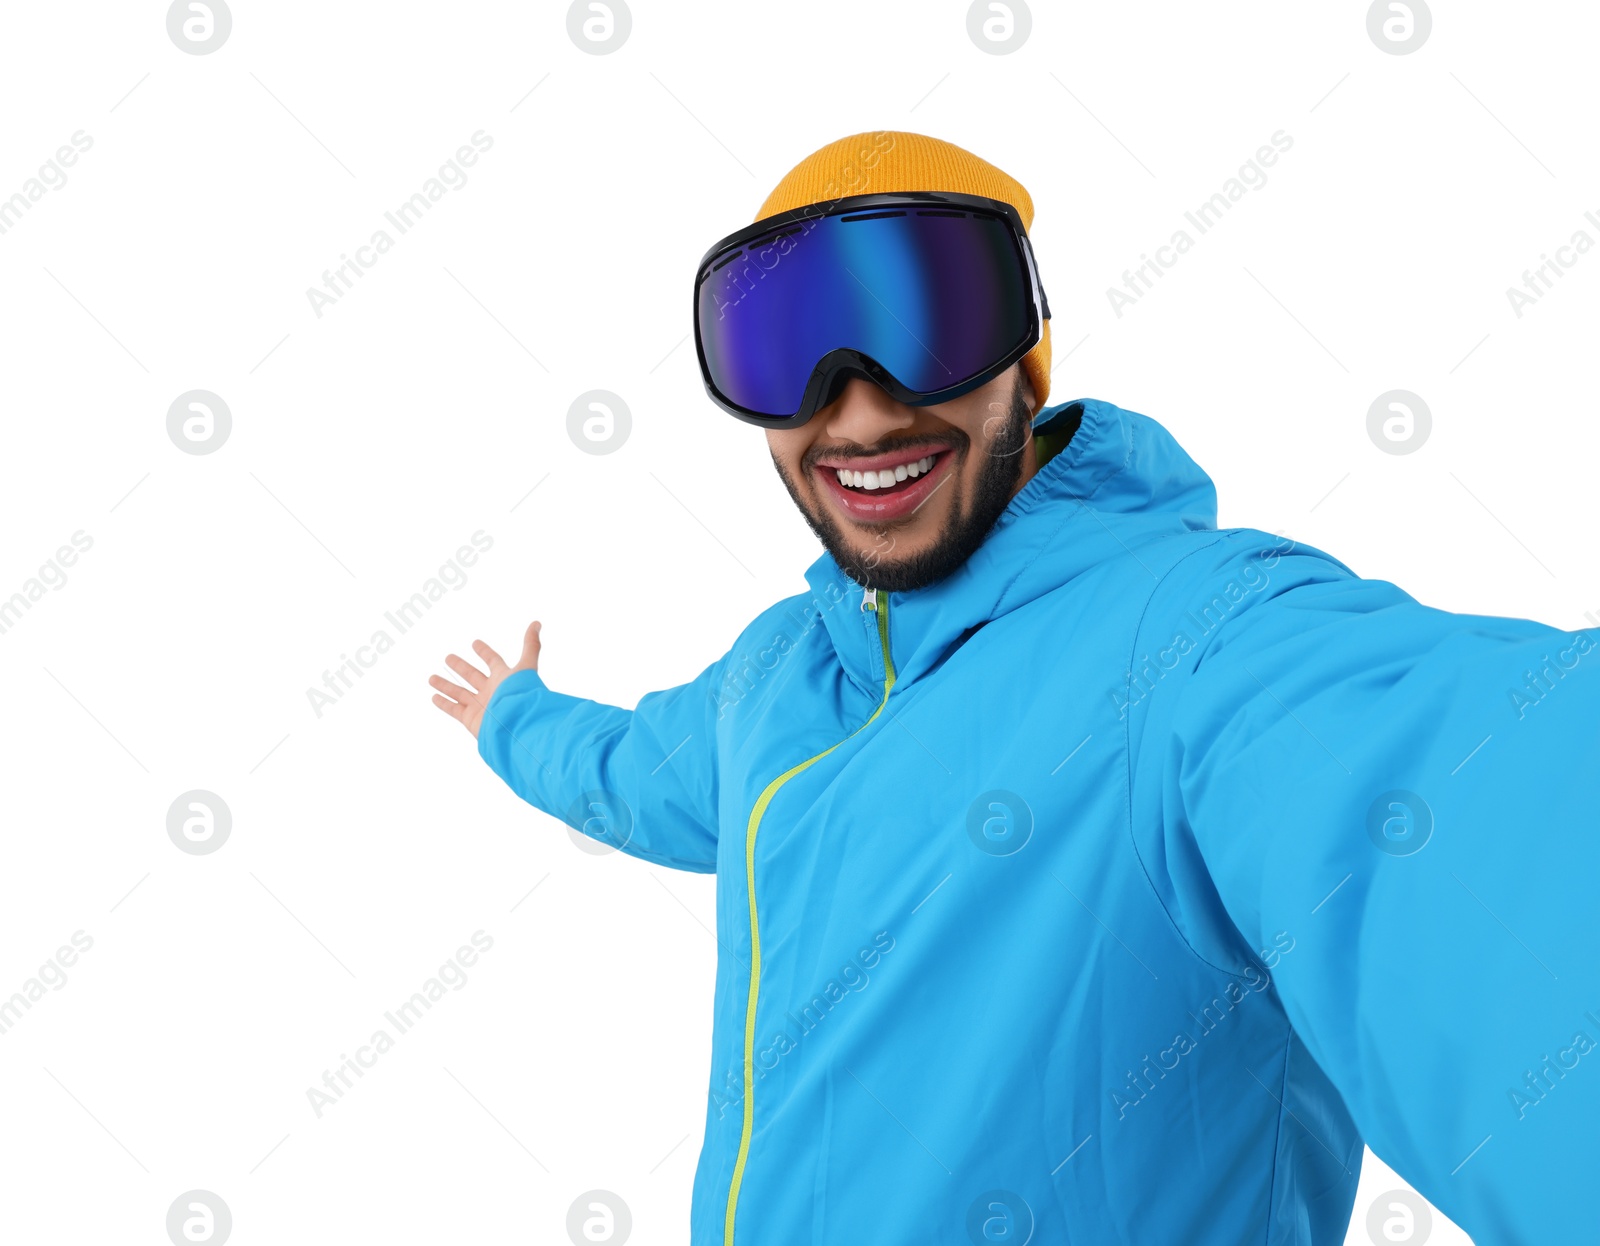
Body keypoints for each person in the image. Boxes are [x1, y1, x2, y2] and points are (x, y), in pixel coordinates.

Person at [428, 131, 1600, 1245]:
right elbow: (635, 772)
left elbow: (1466, 800)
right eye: (789, 350)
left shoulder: (1200, 639)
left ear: (1026, 359)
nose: (861, 407)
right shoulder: (772, 674)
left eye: (925, 320)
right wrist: (510, 717)